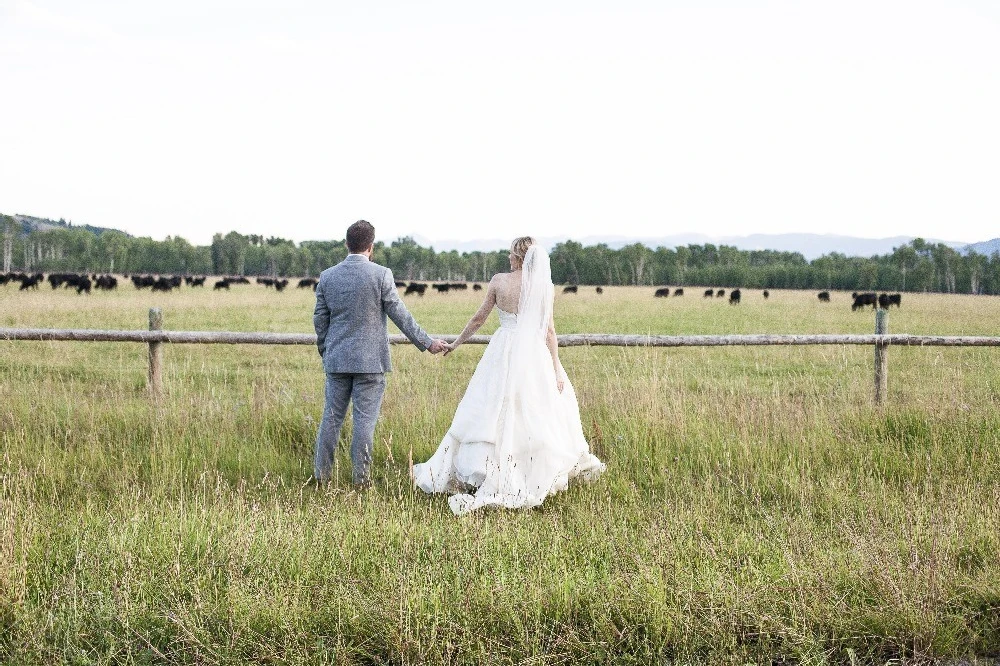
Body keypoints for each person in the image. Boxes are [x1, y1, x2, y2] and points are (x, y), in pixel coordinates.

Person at [412, 236, 605, 514]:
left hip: (502, 351)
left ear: (516, 255)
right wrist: (555, 366)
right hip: (534, 354)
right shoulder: (543, 286)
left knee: (493, 406)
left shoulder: (499, 281)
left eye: (509, 253)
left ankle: (486, 469)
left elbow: (478, 319)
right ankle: (528, 470)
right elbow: (549, 331)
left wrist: (456, 343)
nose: (507, 257)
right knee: (532, 409)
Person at [313, 220, 448, 487]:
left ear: (346, 244)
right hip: (371, 362)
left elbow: (320, 319)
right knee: (364, 421)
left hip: (337, 359)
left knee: (331, 419)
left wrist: (326, 351)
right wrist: (427, 342)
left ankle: (321, 477)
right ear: (371, 247)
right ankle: (360, 481)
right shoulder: (381, 275)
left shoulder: (328, 276)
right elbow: (399, 314)